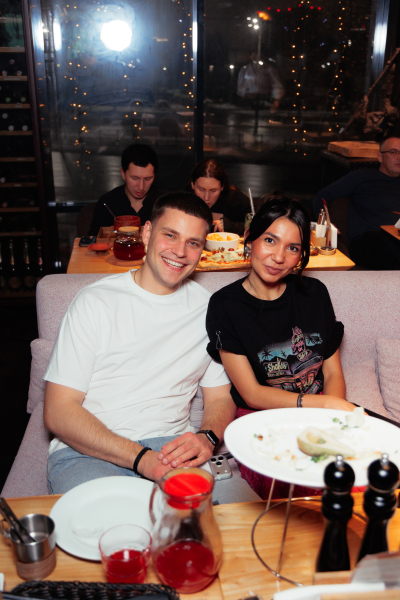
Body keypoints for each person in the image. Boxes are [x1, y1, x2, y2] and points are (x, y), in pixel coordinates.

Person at [44, 192, 259, 503]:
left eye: (193, 243)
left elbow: (219, 398)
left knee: (235, 520)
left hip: (172, 448)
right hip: (89, 451)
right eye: (170, 235)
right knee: (115, 526)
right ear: (147, 233)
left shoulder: (210, 311)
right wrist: (141, 459)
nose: (180, 252)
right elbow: (58, 411)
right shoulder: (95, 302)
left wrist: (207, 437)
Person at [206, 197, 355, 500]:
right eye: (270, 240)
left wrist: (331, 422)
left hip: (318, 410)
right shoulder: (225, 305)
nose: (278, 257)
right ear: (250, 238)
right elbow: (252, 393)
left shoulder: (315, 294)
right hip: (261, 417)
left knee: (358, 478)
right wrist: (322, 406)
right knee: (296, 489)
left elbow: (331, 372)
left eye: (293, 248)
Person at [312, 136, 400, 269]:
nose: (399, 157)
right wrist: (326, 224)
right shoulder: (362, 177)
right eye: (393, 152)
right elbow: (322, 196)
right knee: (389, 238)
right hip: (369, 243)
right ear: (380, 157)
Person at [88, 144, 166, 236]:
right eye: (135, 178)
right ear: (123, 173)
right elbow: (93, 240)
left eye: (148, 179)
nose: (141, 187)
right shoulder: (107, 202)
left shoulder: (166, 202)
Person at [189, 158, 251, 235]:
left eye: (213, 191)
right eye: (201, 189)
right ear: (192, 184)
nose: (206, 198)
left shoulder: (237, 200)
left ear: (222, 187)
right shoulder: (184, 202)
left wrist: (233, 226)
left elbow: (258, 226)